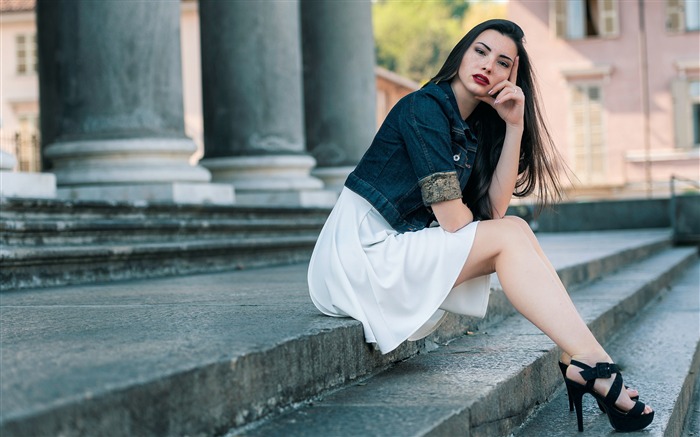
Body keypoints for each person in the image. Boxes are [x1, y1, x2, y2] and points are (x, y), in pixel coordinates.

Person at [307, 19, 653, 432]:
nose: (488, 65)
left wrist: (514, 126)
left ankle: (585, 359)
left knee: (515, 230)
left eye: (503, 62)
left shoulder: (471, 127)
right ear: (461, 54)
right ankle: (591, 363)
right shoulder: (425, 109)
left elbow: (494, 209)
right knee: (510, 234)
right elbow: (456, 220)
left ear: (512, 76)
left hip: (392, 246)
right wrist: (474, 216)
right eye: (481, 51)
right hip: (358, 255)